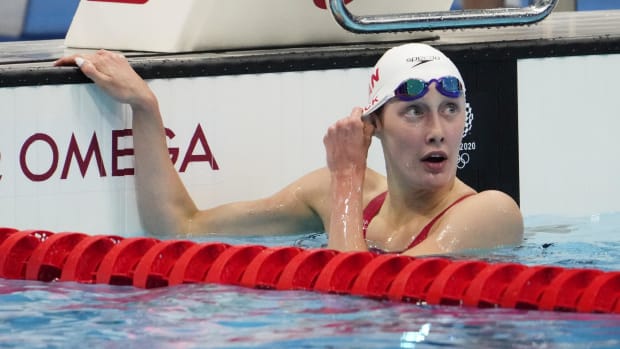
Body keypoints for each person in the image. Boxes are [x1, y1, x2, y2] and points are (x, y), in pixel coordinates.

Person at [54, 43, 523, 256]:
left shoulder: (490, 212)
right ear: (375, 124)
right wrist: (144, 107)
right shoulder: (340, 197)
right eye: (415, 112)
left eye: (450, 110)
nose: (438, 130)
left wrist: (344, 177)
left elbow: (358, 295)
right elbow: (181, 227)